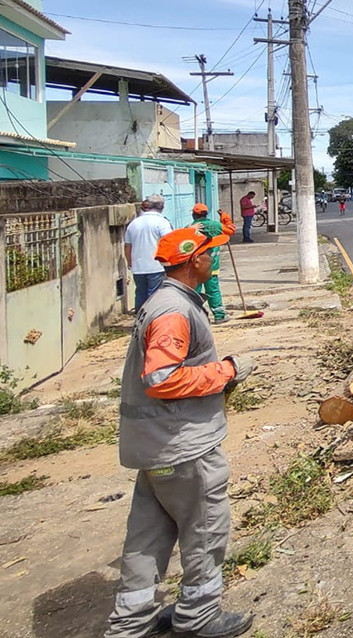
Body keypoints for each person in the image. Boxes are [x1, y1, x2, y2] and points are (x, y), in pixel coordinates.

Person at [104, 226, 257, 638]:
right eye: (211, 254)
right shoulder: (173, 310)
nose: (215, 260)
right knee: (205, 528)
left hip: (154, 446)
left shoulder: (164, 301)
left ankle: (130, 625)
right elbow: (161, 378)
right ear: (195, 260)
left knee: (146, 537)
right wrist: (226, 371)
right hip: (182, 446)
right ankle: (199, 617)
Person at [124, 195, 173, 313]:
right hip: (156, 266)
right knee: (154, 295)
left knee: (140, 293)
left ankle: (139, 319)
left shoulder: (134, 224)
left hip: (138, 267)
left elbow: (127, 246)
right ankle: (152, 321)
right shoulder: (162, 223)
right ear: (162, 207)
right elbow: (169, 242)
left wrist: (129, 262)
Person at [190, 204, 227, 324]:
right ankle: (219, 315)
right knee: (213, 290)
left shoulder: (190, 228)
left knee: (196, 292)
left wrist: (190, 229)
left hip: (196, 266)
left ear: (194, 215)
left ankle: (196, 317)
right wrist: (224, 217)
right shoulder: (216, 226)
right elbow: (230, 229)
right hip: (212, 266)